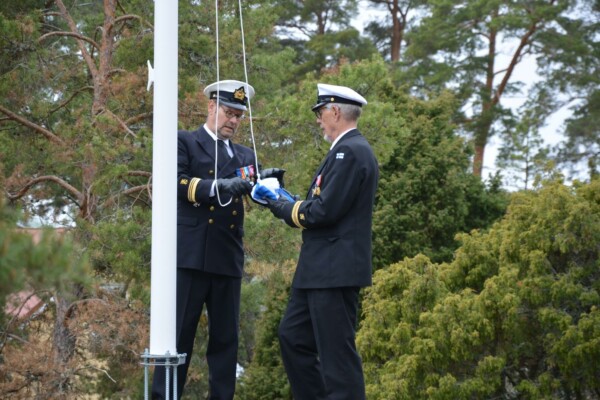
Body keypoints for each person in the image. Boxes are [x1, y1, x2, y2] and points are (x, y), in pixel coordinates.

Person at [152, 79, 282, 400]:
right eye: (228, 112)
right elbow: (177, 183)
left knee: (226, 343)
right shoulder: (185, 142)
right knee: (178, 339)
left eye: (239, 115)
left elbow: (255, 193)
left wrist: (272, 187)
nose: (233, 121)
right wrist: (220, 187)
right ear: (211, 106)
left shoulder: (244, 154)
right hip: (191, 257)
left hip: (226, 256)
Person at [256, 83, 379, 400]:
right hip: (318, 270)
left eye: (320, 112)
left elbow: (324, 211)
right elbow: (322, 203)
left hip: (334, 271)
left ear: (335, 111)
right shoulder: (343, 150)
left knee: (337, 356)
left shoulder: (350, 151)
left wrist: (280, 205)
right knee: (292, 337)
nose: (318, 120)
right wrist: (284, 198)